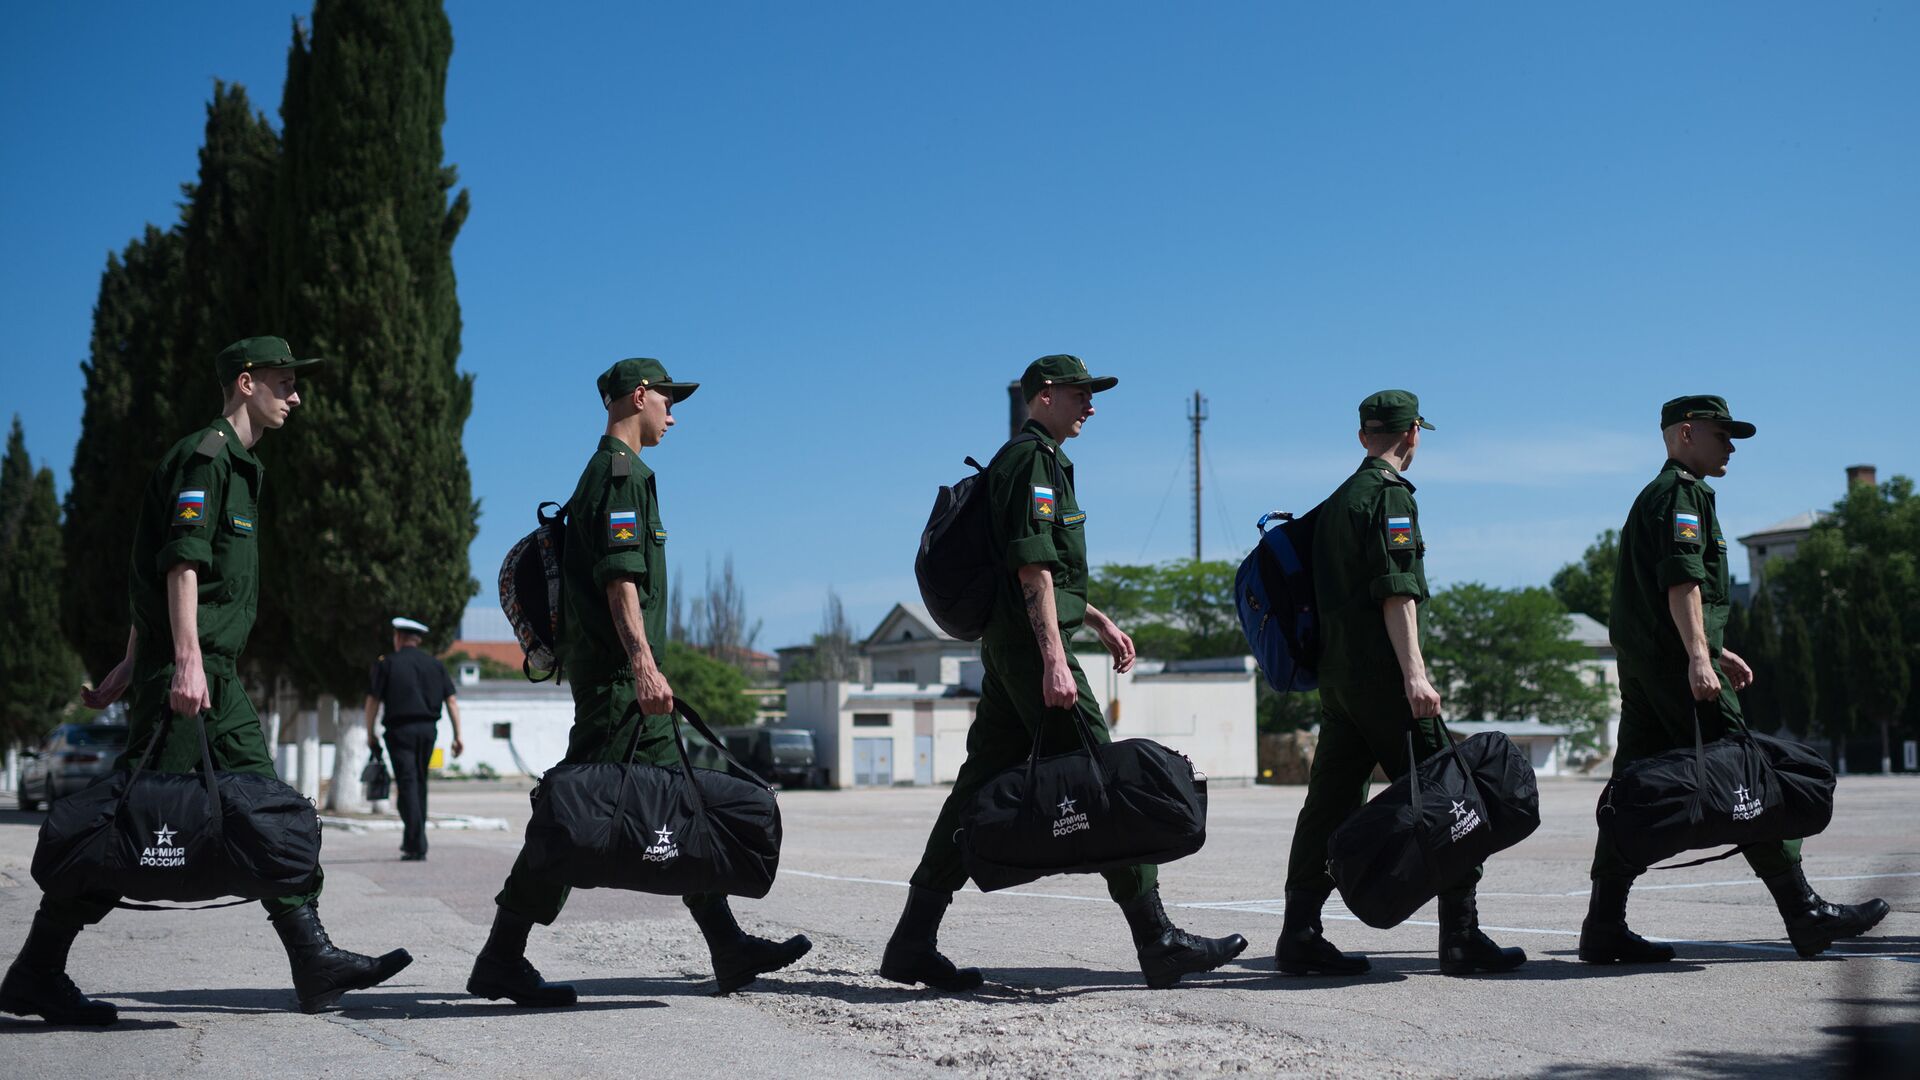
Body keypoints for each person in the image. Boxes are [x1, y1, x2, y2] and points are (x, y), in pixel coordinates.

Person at [0, 337, 412, 1025]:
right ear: (245, 383)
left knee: (228, 809)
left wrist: (134, 662)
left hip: (197, 668)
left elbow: (166, 573)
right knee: (135, 822)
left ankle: (310, 958)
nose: (296, 396)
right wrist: (180, 660)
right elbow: (180, 565)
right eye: (284, 383)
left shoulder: (238, 466)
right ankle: (38, 971)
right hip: (196, 674)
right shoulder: (208, 457)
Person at [881, 354, 1248, 992]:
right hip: (1029, 648)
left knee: (978, 786)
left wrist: (1097, 619)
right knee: (1105, 782)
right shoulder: (1031, 461)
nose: (1091, 405)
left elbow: (1038, 566)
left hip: (1010, 645)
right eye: (1081, 393)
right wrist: (1055, 657)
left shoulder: (1031, 460)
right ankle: (1157, 938)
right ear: (1044, 396)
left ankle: (912, 939)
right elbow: (1031, 569)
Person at [467, 358, 811, 1007]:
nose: (673, 416)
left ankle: (726, 944)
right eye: (669, 402)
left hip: (617, 680)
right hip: (623, 686)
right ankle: (501, 957)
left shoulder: (611, 474)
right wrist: (645, 665)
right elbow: (619, 581)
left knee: (671, 801)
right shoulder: (622, 475)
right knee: (575, 817)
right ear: (639, 396)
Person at [1579, 395, 1889, 963]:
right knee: (1746, 776)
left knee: (1627, 791)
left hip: (1650, 670)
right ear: (1687, 433)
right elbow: (1682, 582)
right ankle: (1805, 912)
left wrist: (1714, 647)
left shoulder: (1657, 496)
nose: (1731, 446)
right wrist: (1700, 656)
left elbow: (1659, 597)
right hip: (1676, 671)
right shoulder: (1681, 495)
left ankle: (1602, 925)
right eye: (1723, 435)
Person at [1274, 390, 1526, 978]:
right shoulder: (1389, 499)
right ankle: (1462, 937)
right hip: (1385, 680)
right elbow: (1396, 591)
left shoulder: (1337, 502)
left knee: (1329, 804)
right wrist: (1415, 672)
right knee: (1453, 794)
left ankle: (1300, 933)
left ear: (1364, 436)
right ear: (1412, 433)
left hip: (1338, 684)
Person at [363, 616, 464, 861]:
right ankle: (414, 840)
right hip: (428, 730)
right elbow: (451, 701)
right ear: (416, 640)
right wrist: (458, 735)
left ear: (398, 638)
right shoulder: (435, 665)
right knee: (419, 781)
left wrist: (370, 733)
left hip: (400, 731)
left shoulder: (387, 664)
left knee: (408, 782)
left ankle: (416, 843)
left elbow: (373, 701)